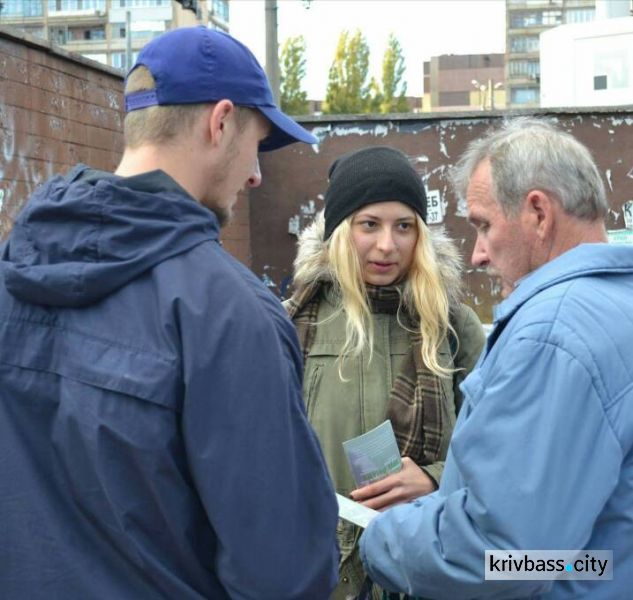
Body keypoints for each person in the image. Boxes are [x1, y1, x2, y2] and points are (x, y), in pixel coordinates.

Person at [0, 27, 339, 599]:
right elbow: (284, 576)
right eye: (257, 142)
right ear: (221, 122)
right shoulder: (232, 315)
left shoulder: (12, 272)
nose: (256, 174)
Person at [359, 118, 633, 598]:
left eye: (484, 226)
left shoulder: (551, 336)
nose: (479, 255)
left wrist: (384, 539)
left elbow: (504, 553)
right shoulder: (616, 304)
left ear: (538, 213)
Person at [285, 146, 486, 600]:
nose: (386, 245)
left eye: (404, 226)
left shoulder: (454, 328)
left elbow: (501, 451)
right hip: (316, 572)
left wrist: (437, 476)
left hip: (421, 567)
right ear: (340, 230)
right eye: (369, 224)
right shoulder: (292, 325)